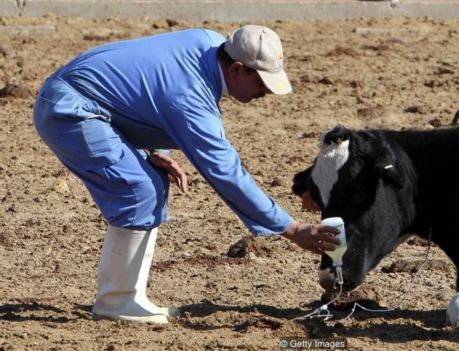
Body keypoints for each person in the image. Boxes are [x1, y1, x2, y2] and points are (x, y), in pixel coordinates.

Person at [33, 25, 340, 324]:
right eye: (262, 82)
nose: (266, 92)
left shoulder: (209, 41)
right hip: (69, 112)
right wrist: (293, 228)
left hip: (84, 99)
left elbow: (147, 89)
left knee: (152, 180)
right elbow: (226, 173)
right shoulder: (191, 98)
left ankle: (129, 297)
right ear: (236, 69)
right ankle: (117, 302)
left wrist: (156, 151)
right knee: (139, 189)